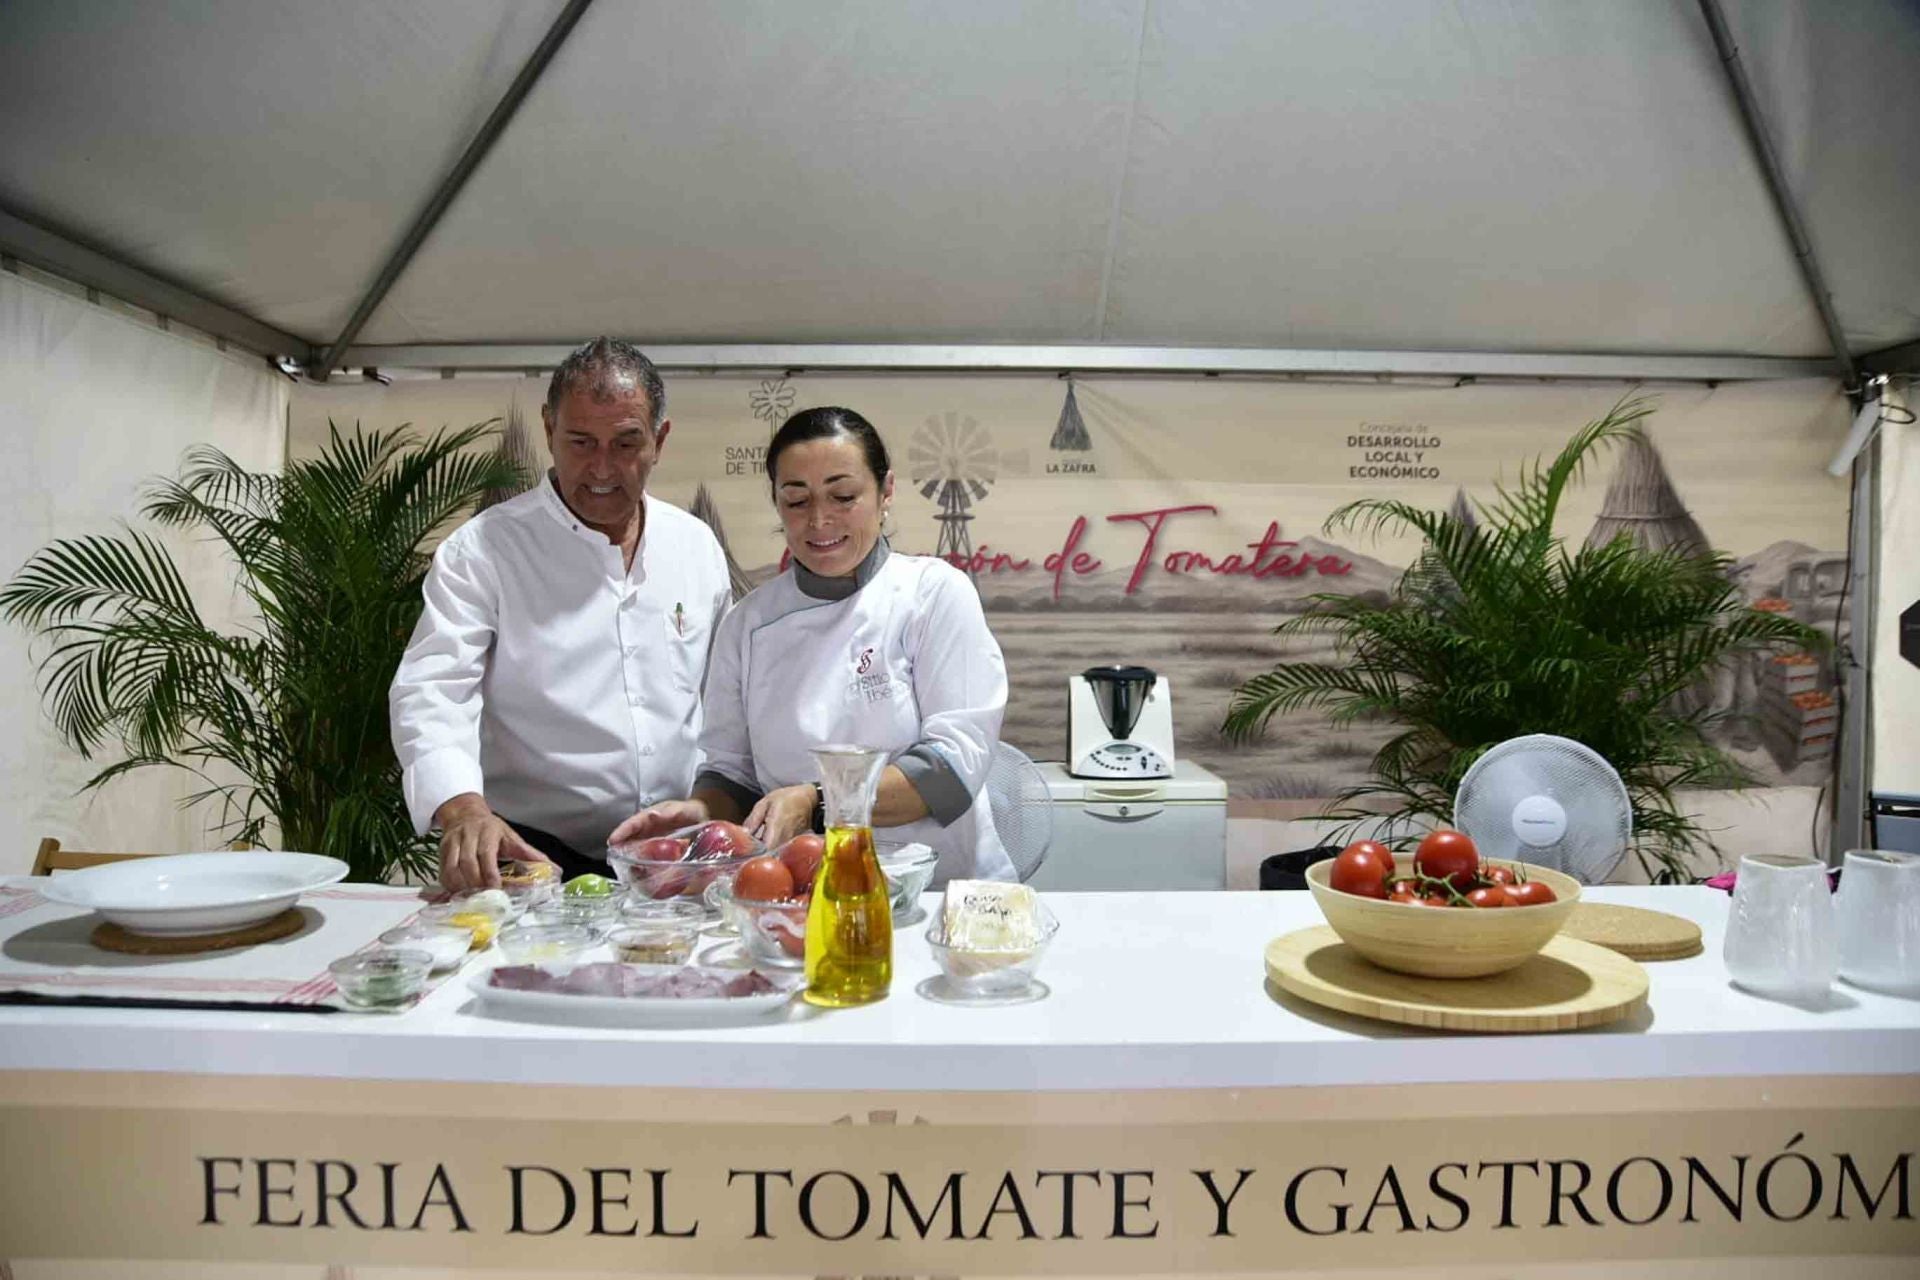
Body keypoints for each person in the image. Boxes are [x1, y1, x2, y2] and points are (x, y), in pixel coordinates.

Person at [611, 407, 1016, 884]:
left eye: (843, 496)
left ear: (886, 491)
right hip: (801, 895)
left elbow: (951, 772)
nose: (820, 520)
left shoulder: (932, 595)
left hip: (937, 891)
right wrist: (699, 813)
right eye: (797, 500)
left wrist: (819, 801)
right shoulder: (748, 625)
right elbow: (732, 775)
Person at [390, 338, 732, 891]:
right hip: (531, 852)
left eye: (626, 443)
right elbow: (432, 690)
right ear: (548, 430)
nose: (602, 467)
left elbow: (725, 701)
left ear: (660, 439)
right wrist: (463, 809)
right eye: (580, 442)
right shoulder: (484, 550)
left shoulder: (695, 546)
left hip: (677, 851)